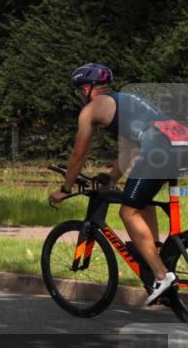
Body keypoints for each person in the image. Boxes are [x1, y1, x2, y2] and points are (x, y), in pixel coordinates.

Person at [49, 64, 188, 304]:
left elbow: (78, 155)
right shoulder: (127, 100)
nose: (79, 97)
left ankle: (161, 275)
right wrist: (112, 179)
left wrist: (65, 189)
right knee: (141, 200)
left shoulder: (92, 110)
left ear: (86, 88)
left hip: (159, 147)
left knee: (127, 211)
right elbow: (129, 152)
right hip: (180, 143)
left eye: (78, 92)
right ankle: (153, 253)